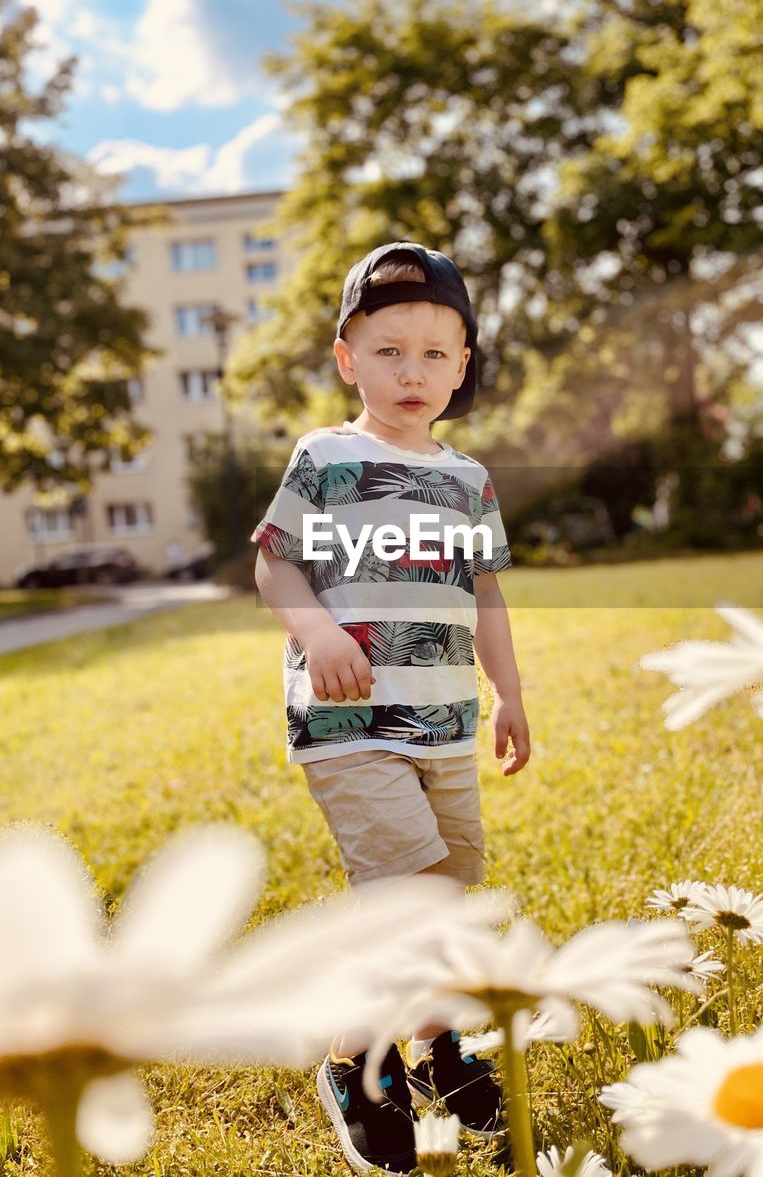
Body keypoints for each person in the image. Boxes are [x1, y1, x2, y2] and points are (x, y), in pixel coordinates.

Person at [250, 241, 532, 1174]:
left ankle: (435, 1041)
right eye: (388, 350)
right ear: (346, 359)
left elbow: (484, 596)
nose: (412, 372)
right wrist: (317, 632)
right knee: (405, 894)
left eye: (435, 354)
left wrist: (509, 693)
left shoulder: (470, 479)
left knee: (446, 893)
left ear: (463, 366)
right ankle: (355, 1060)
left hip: (446, 723)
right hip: (353, 723)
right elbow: (274, 559)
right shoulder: (327, 457)